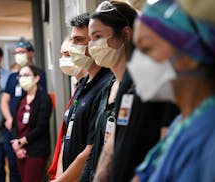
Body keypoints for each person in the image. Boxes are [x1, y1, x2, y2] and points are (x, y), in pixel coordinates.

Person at [79, 1, 179, 182]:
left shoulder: (160, 80)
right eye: (90, 39)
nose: (92, 46)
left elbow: (166, 150)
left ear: (126, 34)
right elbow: (113, 140)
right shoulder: (125, 83)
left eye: (97, 37)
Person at [127, 0, 215, 181]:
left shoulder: (208, 136)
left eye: (146, 48)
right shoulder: (182, 122)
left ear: (189, 56)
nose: (136, 63)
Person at [53, 13, 113, 182]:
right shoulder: (83, 84)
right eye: (72, 40)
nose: (73, 47)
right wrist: (59, 175)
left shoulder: (107, 84)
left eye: (79, 40)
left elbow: (90, 150)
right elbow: (67, 136)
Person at [0, 40, 47, 182]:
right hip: (14, 129)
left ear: (31, 53)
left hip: (32, 133)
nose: (19, 55)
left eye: (22, 52)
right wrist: (9, 119)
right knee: (14, 169)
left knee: (31, 173)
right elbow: (4, 101)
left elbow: (40, 110)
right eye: (16, 53)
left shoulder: (39, 75)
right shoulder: (12, 77)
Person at [47, 38, 87, 180]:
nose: (63, 60)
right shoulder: (78, 87)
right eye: (62, 54)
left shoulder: (92, 88)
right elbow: (66, 136)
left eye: (68, 54)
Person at [11, 65, 52, 182]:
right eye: (20, 76)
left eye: (26, 75)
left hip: (37, 149)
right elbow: (14, 125)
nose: (22, 78)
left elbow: (41, 127)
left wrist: (21, 142)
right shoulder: (20, 100)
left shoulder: (44, 98)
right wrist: (17, 145)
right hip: (20, 149)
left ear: (36, 78)